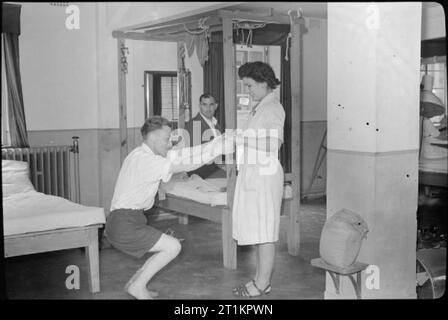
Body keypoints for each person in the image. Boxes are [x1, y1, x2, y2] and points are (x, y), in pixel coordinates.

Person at [105, 116, 234, 299]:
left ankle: (136, 283)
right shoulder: (145, 161)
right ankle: (138, 286)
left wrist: (217, 142)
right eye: (167, 139)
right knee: (172, 247)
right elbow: (186, 164)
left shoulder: (144, 154)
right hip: (123, 223)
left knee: (168, 246)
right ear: (153, 138)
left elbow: (185, 154)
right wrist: (217, 150)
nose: (169, 144)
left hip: (126, 220)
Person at [231, 61, 285, 297]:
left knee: (265, 234)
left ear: (264, 83)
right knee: (260, 233)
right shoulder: (261, 106)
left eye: (250, 85)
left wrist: (241, 138)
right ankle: (260, 280)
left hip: (266, 175)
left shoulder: (273, 108)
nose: (248, 90)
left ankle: (262, 284)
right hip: (257, 174)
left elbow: (274, 143)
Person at [184, 93, 224, 178]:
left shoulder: (215, 123)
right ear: (200, 106)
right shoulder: (194, 124)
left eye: (211, 104)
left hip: (214, 168)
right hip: (200, 173)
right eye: (204, 104)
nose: (208, 108)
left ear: (216, 106)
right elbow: (194, 155)